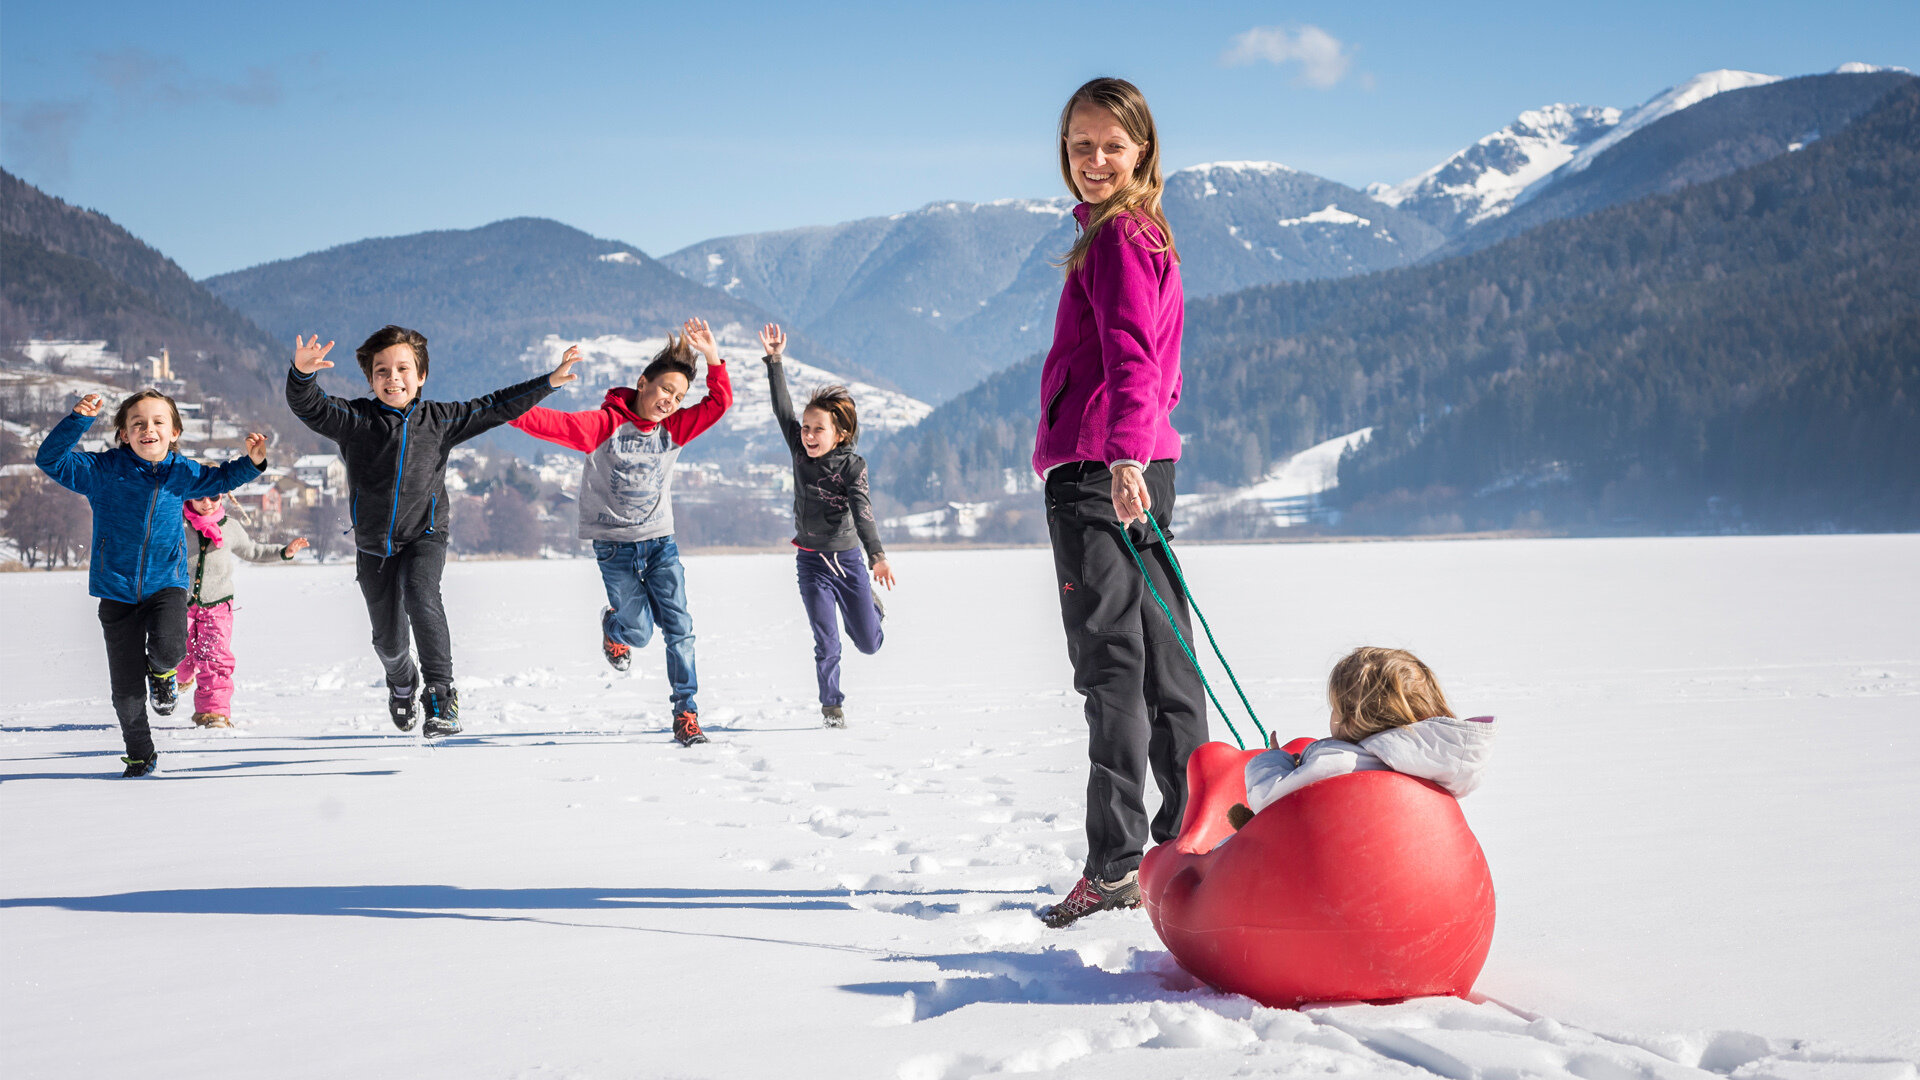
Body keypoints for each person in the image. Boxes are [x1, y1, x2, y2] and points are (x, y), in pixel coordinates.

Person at [1033, 77, 1205, 929]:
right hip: (1140, 465)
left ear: (1142, 150)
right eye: (1080, 146)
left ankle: (1114, 869)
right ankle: (1194, 843)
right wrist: (1142, 447)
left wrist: (1122, 452)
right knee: (1165, 661)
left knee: (1113, 670)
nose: (1094, 160)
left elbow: (1135, 353)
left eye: (1111, 145)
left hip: (1103, 471)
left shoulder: (1115, 238)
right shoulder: (1146, 232)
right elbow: (1161, 364)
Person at [286, 326, 578, 737]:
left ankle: (441, 694)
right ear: (370, 379)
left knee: (421, 592)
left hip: (425, 534)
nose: (393, 378)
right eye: (382, 371)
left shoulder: (440, 421)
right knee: (388, 643)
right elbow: (310, 406)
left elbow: (495, 406)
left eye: (403, 369)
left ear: (421, 375)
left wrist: (548, 382)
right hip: (373, 547)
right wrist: (302, 375)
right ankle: (402, 683)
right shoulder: (356, 420)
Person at [509, 319, 732, 746]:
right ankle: (614, 629)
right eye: (666, 389)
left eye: (679, 397)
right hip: (615, 550)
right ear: (642, 383)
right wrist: (510, 403)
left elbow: (719, 402)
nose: (670, 401)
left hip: (661, 544)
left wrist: (712, 357)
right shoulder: (603, 426)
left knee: (680, 629)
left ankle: (686, 714)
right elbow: (541, 421)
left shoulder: (674, 429)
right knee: (640, 633)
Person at [35, 389, 268, 776]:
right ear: (124, 434)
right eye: (138, 423)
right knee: (126, 691)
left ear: (174, 432)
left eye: (158, 422)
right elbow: (51, 459)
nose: (149, 429)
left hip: (166, 584)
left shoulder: (182, 472)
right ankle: (140, 754)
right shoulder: (103, 471)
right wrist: (78, 420)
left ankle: (162, 675)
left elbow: (222, 476)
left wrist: (254, 462)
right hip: (116, 591)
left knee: (171, 648)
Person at [759, 324, 894, 728]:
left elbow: (863, 511)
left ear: (840, 433)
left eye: (818, 428)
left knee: (869, 644)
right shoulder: (800, 452)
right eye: (806, 427)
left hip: (847, 561)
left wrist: (877, 556)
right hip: (811, 563)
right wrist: (775, 361)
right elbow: (782, 409)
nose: (809, 434)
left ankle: (872, 607)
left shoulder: (852, 466)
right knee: (827, 641)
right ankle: (831, 707)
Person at [1230, 647, 1495, 827]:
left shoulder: (1342, 763)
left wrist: (1273, 759)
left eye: (1335, 708)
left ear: (1353, 718)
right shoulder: (1436, 766)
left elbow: (1268, 799)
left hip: (1334, 878)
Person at [177, 495, 310, 728]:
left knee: (215, 658)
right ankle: (181, 676)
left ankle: (213, 712)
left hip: (218, 605)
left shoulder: (230, 527)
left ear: (223, 496)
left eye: (213, 496)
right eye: (199, 497)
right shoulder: (178, 525)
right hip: (180, 603)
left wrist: (284, 552)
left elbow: (253, 551)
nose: (207, 503)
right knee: (177, 652)